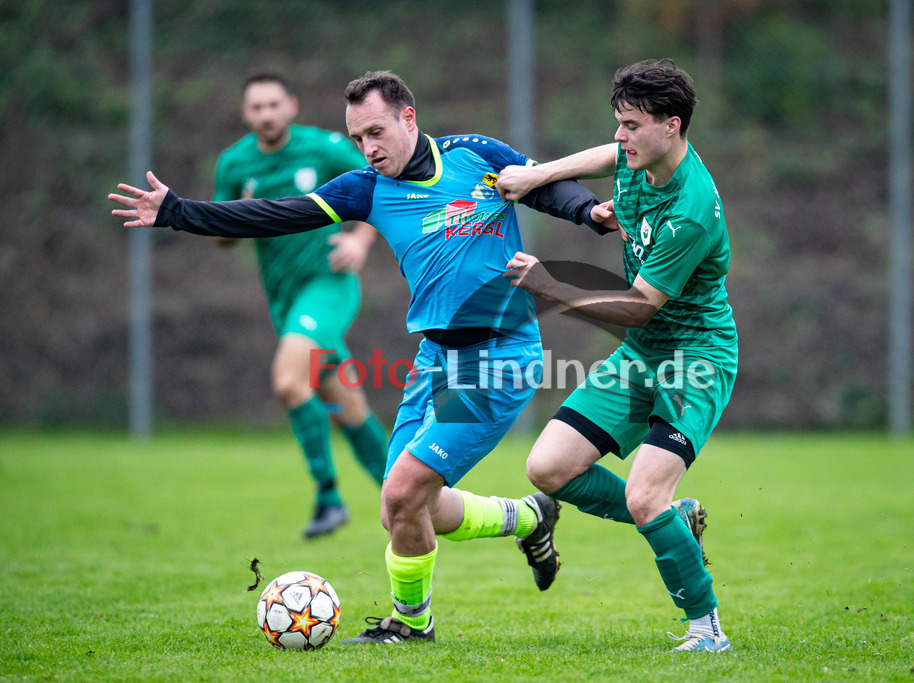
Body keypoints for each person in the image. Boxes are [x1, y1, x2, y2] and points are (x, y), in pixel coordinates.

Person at [110, 70, 617, 644]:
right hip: (434, 360)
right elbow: (274, 214)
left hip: (501, 357)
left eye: (376, 131)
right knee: (404, 510)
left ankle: (411, 625)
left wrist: (589, 213)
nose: (369, 148)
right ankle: (528, 518)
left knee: (403, 490)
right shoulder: (365, 189)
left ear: (408, 118)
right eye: (358, 139)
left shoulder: (477, 155)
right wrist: (178, 212)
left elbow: (546, 186)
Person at [497, 58, 738, 653]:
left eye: (631, 125)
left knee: (642, 493)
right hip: (643, 354)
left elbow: (637, 307)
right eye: (618, 123)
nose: (620, 136)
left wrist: (548, 284)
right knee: (548, 469)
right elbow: (606, 161)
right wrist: (537, 176)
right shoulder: (639, 160)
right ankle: (674, 524)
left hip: (694, 358)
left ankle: (707, 632)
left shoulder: (690, 211)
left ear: (672, 126)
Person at [212, 73, 388, 539]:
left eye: (274, 104)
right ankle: (407, 494)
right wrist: (238, 216)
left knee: (290, 383)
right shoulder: (235, 164)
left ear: (290, 105)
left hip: (328, 286)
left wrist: (361, 241)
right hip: (286, 300)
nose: (267, 114)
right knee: (347, 404)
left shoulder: (324, 149)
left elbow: (378, 190)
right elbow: (220, 238)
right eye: (257, 107)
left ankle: (328, 497)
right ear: (246, 114)